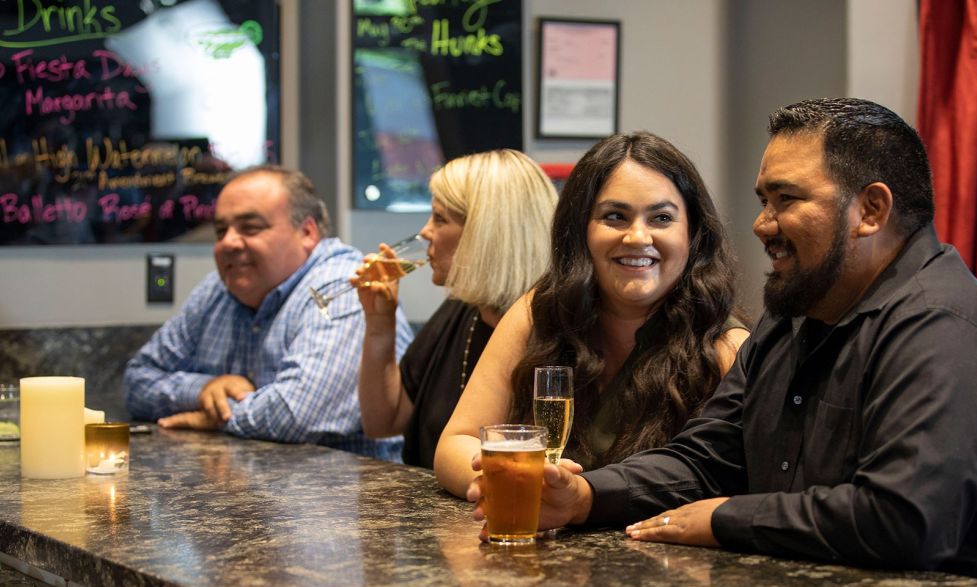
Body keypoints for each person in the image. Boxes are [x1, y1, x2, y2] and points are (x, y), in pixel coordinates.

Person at [487, 98, 977, 578]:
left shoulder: (941, 325)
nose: (761, 224)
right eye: (763, 201)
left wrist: (726, 518)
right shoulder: (793, 316)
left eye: (785, 200)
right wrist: (584, 497)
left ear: (871, 210)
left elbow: (904, 520)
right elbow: (705, 459)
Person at [439, 132, 749, 498]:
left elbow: (728, 486)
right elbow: (456, 442)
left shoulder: (726, 348)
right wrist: (496, 482)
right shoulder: (537, 314)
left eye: (661, 218)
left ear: (692, 233)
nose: (637, 237)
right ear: (581, 230)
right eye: (615, 216)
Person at [124, 165, 413, 461]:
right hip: (246, 489)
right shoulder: (216, 290)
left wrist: (214, 417)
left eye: (250, 228)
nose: (228, 243)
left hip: (346, 499)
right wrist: (203, 390)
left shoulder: (345, 285)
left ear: (307, 232)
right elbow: (137, 382)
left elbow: (294, 414)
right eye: (221, 230)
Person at [356, 149, 558, 468]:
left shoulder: (553, 334)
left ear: (485, 235)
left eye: (439, 218)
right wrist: (380, 324)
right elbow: (383, 421)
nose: (425, 231)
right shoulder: (460, 310)